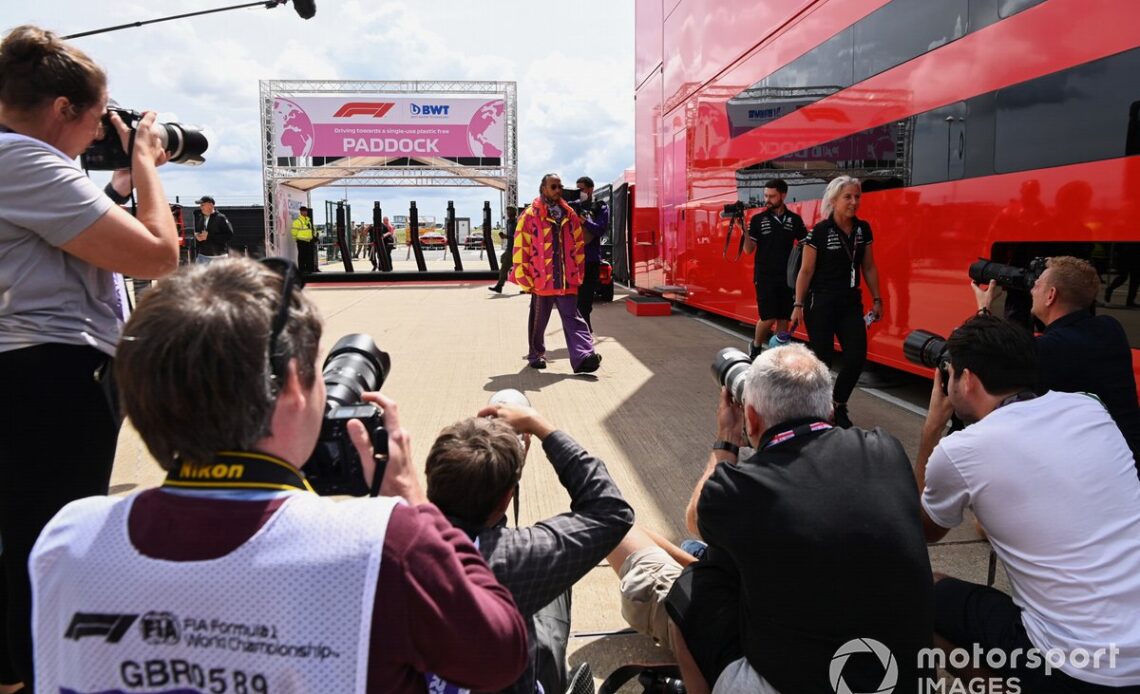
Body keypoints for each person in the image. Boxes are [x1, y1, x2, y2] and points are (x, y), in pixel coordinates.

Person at [29, 259, 528, 694]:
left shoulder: (67, 540)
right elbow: (499, 655)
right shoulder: (385, 546)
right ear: (293, 386)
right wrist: (415, 504)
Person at [0, 25, 178, 691]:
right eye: (100, 118)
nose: (102, 130)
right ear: (61, 111)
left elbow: (76, 240)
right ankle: (38, 673)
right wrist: (150, 163)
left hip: (33, 369)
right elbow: (158, 255)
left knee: (26, 531)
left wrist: (121, 189)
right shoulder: (24, 159)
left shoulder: (21, 161)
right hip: (48, 374)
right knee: (47, 545)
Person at [673, 343, 933, 693]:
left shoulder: (740, 489)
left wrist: (727, 439)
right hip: (906, 680)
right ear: (828, 409)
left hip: (798, 682)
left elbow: (695, 519)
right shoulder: (886, 449)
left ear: (750, 417)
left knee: (692, 586)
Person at [915, 314, 1140, 691]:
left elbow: (921, 531)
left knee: (918, 591)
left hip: (1081, 669)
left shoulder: (961, 450)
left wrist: (931, 431)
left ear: (966, 380)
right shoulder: (1088, 408)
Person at [424, 403, 634, 694]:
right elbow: (611, 511)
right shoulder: (514, 559)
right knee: (554, 583)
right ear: (507, 496)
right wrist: (541, 426)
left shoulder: (393, 544)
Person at [973, 256, 1140, 471]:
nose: (1031, 289)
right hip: (1130, 452)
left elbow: (986, 358)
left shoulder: (1049, 348)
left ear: (1051, 295)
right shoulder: (1110, 328)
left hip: (1101, 468)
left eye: (1037, 284)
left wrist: (984, 309)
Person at [790, 175, 883, 428]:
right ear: (833, 200)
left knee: (856, 358)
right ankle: (815, 410)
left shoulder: (863, 230)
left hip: (850, 303)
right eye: (848, 197)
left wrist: (877, 298)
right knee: (823, 362)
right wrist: (798, 305)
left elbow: (869, 267)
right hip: (820, 304)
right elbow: (805, 272)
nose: (854, 202)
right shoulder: (819, 232)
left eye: (857, 197)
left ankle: (838, 405)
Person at [511, 174, 602, 374]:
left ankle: (584, 356)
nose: (558, 190)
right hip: (541, 278)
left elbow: (578, 246)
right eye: (554, 186)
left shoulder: (569, 214)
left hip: (567, 278)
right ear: (543, 189)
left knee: (573, 317)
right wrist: (523, 276)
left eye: (560, 186)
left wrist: (578, 272)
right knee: (539, 319)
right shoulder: (529, 216)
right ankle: (536, 354)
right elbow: (520, 246)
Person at [743, 178, 807, 358]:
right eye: (766, 196)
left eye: (772, 196)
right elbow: (748, 250)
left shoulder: (794, 220)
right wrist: (744, 231)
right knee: (768, 317)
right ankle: (756, 346)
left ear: (783, 195)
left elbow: (806, 244)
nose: (767, 199)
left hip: (787, 278)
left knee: (783, 319)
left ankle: (776, 357)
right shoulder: (757, 219)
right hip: (764, 276)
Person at [573, 176, 610, 332]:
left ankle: (585, 336)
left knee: (585, 304)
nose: (579, 192)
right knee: (574, 304)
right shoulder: (572, 207)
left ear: (590, 189)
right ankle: (581, 338)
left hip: (590, 261)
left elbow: (600, 230)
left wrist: (585, 221)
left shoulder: (600, 207)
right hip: (573, 262)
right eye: (577, 189)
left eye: (581, 189)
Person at [193, 194, 233, 264]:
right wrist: (197, 236)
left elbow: (229, 235)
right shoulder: (201, 218)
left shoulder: (221, 218)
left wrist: (209, 237)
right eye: (200, 205)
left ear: (211, 205)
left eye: (202, 205)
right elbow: (200, 232)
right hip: (202, 256)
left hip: (219, 257)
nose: (200, 207)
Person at [489, 205, 518, 293]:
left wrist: (506, 236)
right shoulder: (509, 222)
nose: (508, 212)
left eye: (510, 211)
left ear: (514, 212)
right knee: (504, 261)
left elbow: (517, 236)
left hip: (514, 249)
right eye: (507, 211)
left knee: (504, 268)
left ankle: (499, 286)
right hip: (509, 249)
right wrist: (505, 237)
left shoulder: (516, 223)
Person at [290, 205, 316, 274]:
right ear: (301, 212)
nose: (305, 212)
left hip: (308, 241)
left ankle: (308, 269)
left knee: (308, 256)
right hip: (301, 241)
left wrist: (314, 236)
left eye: (306, 211)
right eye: (303, 211)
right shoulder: (297, 221)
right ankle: (301, 270)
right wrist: (297, 239)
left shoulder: (308, 221)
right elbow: (294, 232)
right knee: (302, 256)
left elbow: (311, 230)